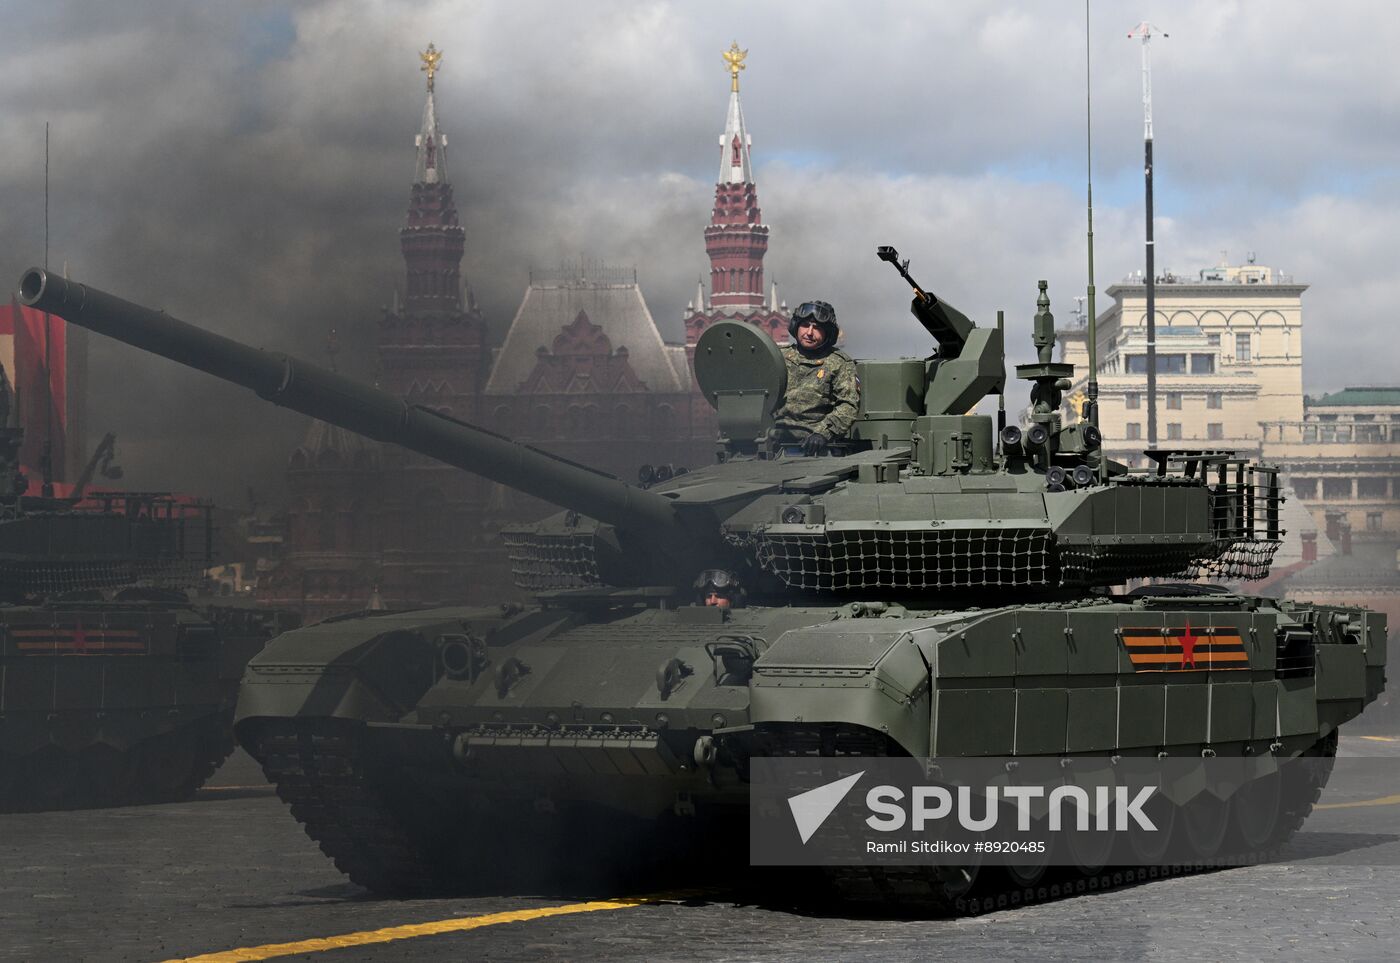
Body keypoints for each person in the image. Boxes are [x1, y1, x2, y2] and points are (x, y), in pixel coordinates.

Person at [769, 300, 860, 455]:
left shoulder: (839, 363)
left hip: (817, 447)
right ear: (796, 326)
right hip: (773, 443)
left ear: (828, 333)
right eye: (805, 325)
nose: (809, 332)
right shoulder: (778, 357)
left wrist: (822, 433)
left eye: (817, 327)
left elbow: (848, 405)